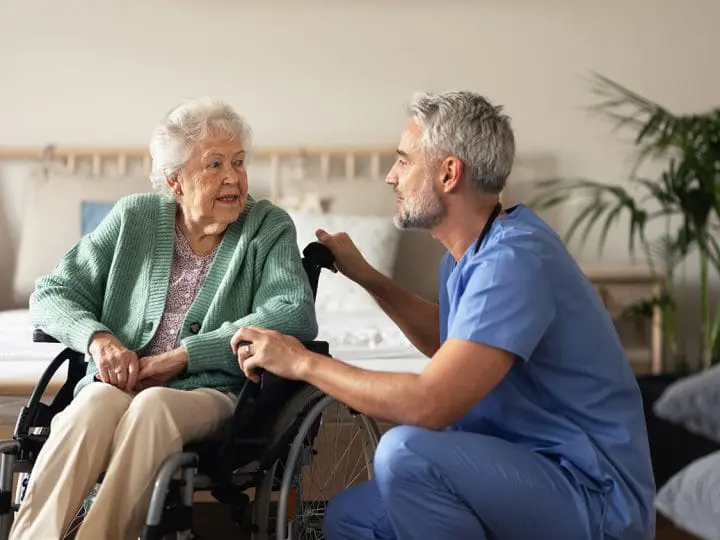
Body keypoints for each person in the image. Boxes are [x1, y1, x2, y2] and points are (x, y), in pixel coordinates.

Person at [231, 91, 657, 540]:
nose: (392, 177)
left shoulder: (513, 261)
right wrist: (368, 278)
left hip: (591, 493)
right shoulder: (469, 254)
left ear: (449, 173)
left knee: (405, 452)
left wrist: (302, 361)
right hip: (526, 470)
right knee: (350, 518)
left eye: (403, 161)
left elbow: (428, 404)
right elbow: (455, 343)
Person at [10, 98, 318, 540]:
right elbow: (52, 292)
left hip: (214, 392)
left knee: (154, 406)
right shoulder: (133, 217)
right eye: (214, 165)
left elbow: (293, 312)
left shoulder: (267, 227)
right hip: (121, 384)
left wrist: (184, 357)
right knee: (91, 405)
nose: (233, 177)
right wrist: (99, 340)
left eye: (238, 162)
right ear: (175, 181)